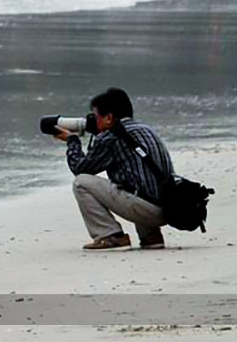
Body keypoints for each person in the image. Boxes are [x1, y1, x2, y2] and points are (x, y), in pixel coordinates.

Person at [51, 87, 174, 251]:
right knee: (137, 179)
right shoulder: (146, 129)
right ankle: (151, 237)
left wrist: (72, 141)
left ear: (109, 117)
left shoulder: (112, 136)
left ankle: (110, 236)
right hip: (170, 208)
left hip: (147, 210)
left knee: (81, 182)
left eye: (96, 117)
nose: (93, 121)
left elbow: (80, 169)